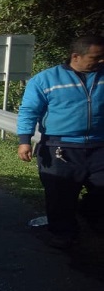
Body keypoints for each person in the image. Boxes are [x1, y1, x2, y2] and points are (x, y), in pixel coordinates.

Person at [16, 35, 104, 249]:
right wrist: (24, 140)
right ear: (76, 56)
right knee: (60, 195)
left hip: (99, 145)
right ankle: (63, 233)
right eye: (96, 57)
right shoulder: (46, 79)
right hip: (61, 146)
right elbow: (29, 110)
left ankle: (89, 214)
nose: (101, 61)